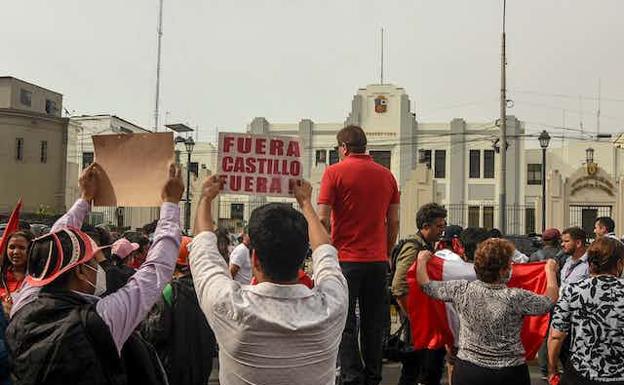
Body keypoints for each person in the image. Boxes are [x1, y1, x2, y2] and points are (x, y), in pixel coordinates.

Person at [6, 163, 184, 385]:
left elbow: (54, 242)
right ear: (81, 271)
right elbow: (156, 270)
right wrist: (171, 205)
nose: (97, 267)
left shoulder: (22, 305)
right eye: (92, 260)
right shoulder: (101, 320)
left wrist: (84, 199)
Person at [189, 176, 348, 385]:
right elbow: (325, 251)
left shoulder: (228, 305)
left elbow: (203, 247)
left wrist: (206, 199)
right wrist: (306, 203)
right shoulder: (333, 305)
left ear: (254, 259)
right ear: (303, 258)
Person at [318, 125, 400, 385]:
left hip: (346, 259)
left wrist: (327, 249)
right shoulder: (387, 176)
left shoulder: (334, 173)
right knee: (373, 322)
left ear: (343, 148)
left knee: (344, 320)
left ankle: (352, 375)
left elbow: (322, 218)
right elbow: (394, 220)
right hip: (377, 260)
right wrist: (386, 251)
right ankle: (374, 375)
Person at [417, 238, 559, 385]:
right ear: (503, 270)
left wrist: (421, 261)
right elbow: (548, 301)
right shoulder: (516, 297)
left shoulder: (461, 290)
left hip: (469, 370)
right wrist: (550, 272)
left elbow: (426, 286)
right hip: (509, 372)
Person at [141, 235, 217, 385]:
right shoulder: (209, 291)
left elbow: (154, 333)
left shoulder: (168, 291)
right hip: (202, 368)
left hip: (173, 371)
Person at [548, 236, 624, 385]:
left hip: (580, 373)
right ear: (619, 264)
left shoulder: (573, 290)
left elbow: (556, 336)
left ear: (590, 263)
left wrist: (552, 368)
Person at [392, 203, 447, 385]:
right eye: (439, 226)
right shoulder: (414, 247)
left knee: (424, 369)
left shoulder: (428, 246)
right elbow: (399, 286)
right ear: (425, 226)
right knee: (413, 369)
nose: (442, 230)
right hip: (416, 323)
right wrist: (413, 316)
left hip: (422, 320)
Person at [0, 231, 33, 313]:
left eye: (22, 248)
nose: (15, 252)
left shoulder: (38, 279)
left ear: (32, 250)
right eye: (12, 247)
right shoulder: (2, 274)